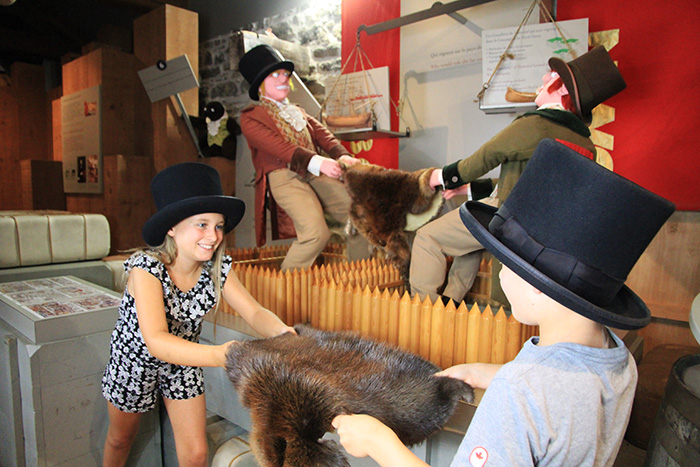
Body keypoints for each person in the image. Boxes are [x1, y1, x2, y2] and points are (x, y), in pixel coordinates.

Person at [333, 138, 676, 466]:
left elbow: (534, 396)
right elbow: (561, 397)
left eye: (505, 264)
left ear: (537, 286)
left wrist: (378, 441)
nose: (498, 275)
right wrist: (498, 373)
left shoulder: (521, 390)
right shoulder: (617, 359)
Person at [101, 162, 294, 467]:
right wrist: (222, 354)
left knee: (196, 454)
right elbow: (156, 341)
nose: (213, 235)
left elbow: (254, 311)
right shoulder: (146, 268)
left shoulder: (217, 268)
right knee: (120, 438)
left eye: (218, 225)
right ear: (171, 227)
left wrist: (282, 332)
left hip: (185, 360)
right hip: (135, 360)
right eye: (201, 224)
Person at [409, 46, 627, 305]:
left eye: (552, 76)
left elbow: (481, 159)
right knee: (470, 242)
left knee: (427, 237)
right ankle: (452, 307)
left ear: (565, 90)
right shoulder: (584, 143)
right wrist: (466, 190)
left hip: (505, 220)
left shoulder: (534, 125)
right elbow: (528, 184)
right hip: (535, 232)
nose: (545, 79)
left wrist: (438, 177)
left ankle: (424, 310)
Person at [238, 44, 370, 271]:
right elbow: (279, 148)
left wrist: (342, 156)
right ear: (260, 84)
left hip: (313, 174)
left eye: (285, 74)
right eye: (274, 74)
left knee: (361, 216)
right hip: (285, 178)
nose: (283, 79)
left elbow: (323, 135)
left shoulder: (298, 112)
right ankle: (286, 287)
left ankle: (359, 278)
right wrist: (320, 162)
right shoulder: (251, 117)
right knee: (315, 233)